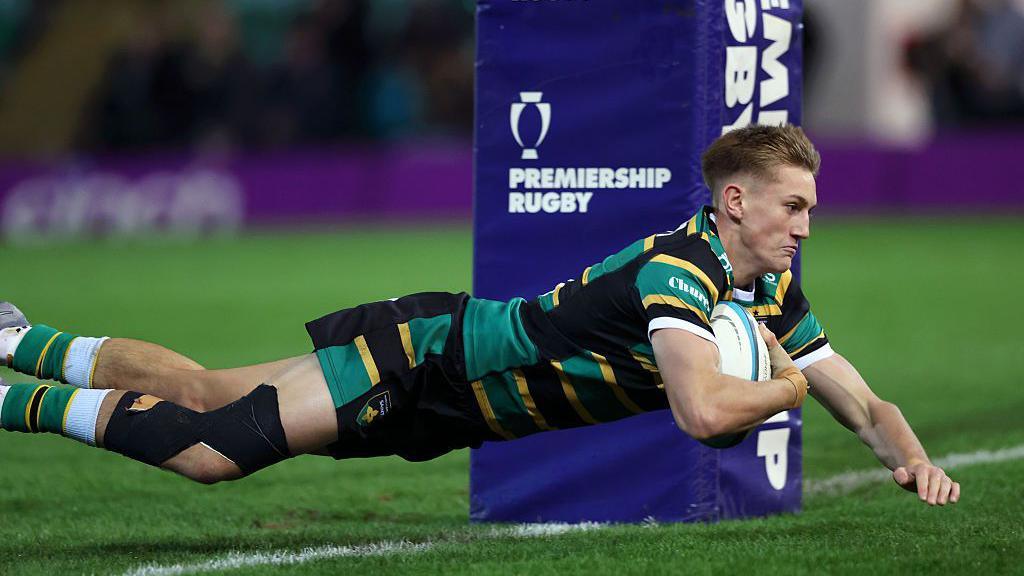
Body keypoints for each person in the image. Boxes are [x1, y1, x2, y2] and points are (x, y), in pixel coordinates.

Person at [0, 124, 959, 506]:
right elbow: (704, 414)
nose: (808, 223)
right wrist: (784, 384)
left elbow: (862, 403)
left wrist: (910, 458)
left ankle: (14, 337)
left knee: (204, 390)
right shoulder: (682, 277)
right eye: (793, 205)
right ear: (737, 202)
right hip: (437, 363)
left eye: (813, 208)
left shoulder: (774, 291)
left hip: (452, 405)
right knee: (212, 448)